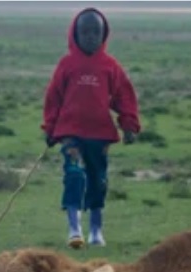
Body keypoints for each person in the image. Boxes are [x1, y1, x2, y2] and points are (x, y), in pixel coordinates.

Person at [41, 7, 140, 249]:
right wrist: (50, 128)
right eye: (85, 31)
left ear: (104, 34)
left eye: (96, 32)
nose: (90, 37)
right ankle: (74, 228)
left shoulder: (110, 66)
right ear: (75, 33)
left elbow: (123, 96)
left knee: (98, 180)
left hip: (100, 133)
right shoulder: (67, 65)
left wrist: (129, 124)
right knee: (73, 175)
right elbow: (54, 97)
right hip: (70, 132)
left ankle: (96, 228)